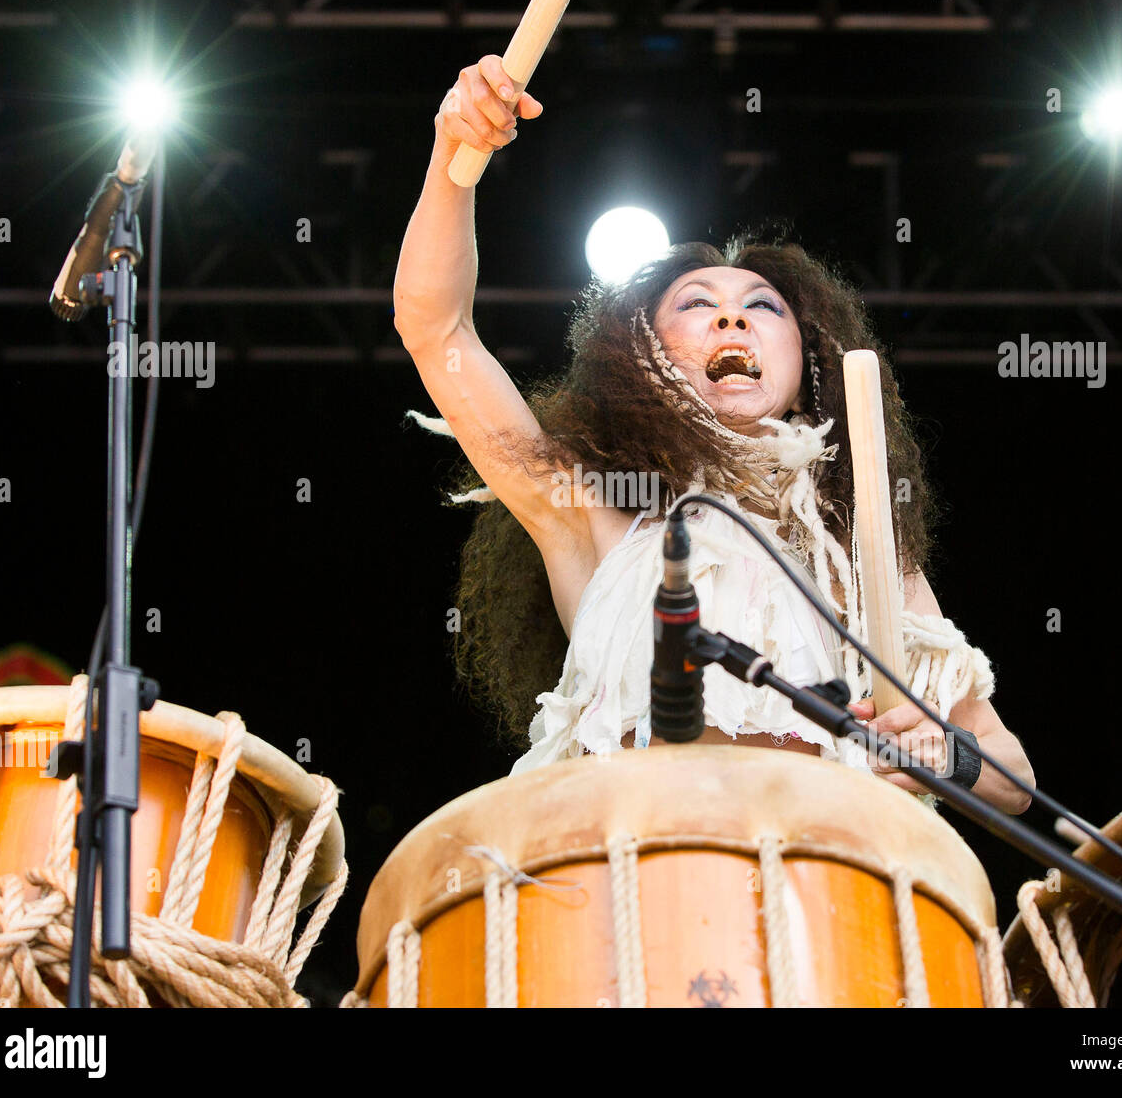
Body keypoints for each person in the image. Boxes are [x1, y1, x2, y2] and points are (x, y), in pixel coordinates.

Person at [395, 56, 1035, 814]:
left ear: (810, 365)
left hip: (819, 895)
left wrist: (945, 754)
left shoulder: (859, 555)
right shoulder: (595, 512)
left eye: (764, 308)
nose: (732, 317)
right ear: (644, 356)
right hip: (623, 880)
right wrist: (451, 160)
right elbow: (436, 329)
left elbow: (1013, 774)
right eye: (697, 303)